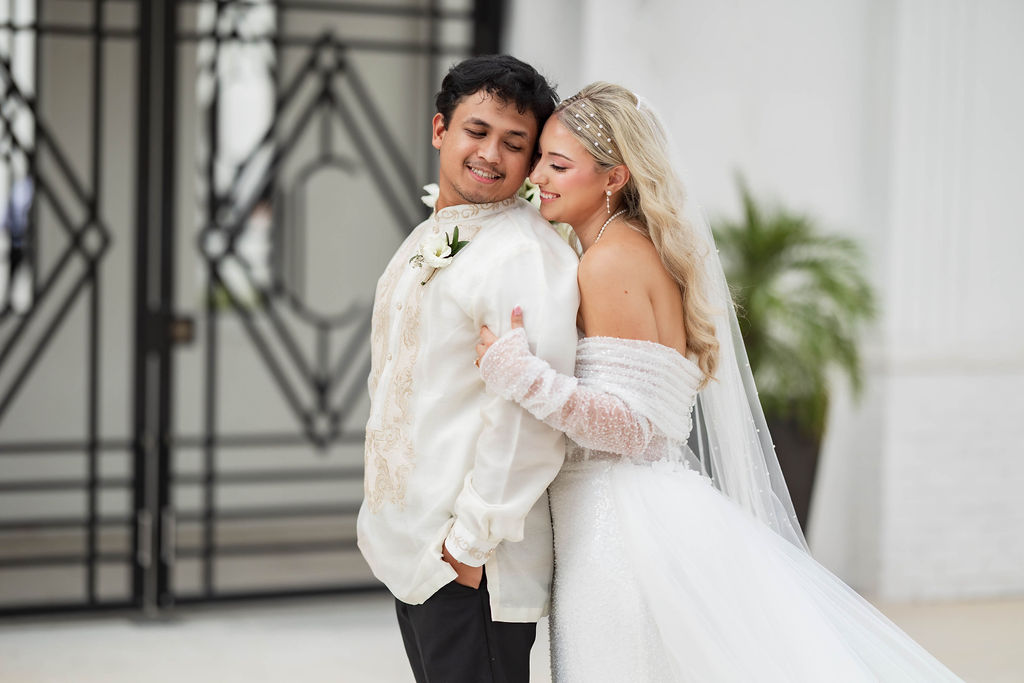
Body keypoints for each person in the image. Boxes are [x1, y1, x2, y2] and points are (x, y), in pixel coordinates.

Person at [475, 82, 964, 682]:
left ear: (614, 178)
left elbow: (636, 430)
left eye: (558, 164)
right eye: (541, 161)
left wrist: (522, 376)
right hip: (642, 509)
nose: (537, 177)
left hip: (617, 527)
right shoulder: (633, 247)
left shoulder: (608, 261)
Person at [356, 55, 580, 683]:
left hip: (469, 566)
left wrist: (467, 547)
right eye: (476, 131)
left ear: (532, 160)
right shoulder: (432, 235)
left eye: (514, 143)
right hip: (416, 551)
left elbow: (531, 418)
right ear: (440, 130)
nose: (490, 154)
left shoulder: (523, 254)